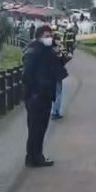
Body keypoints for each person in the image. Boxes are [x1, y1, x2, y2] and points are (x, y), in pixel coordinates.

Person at [22, 25, 63, 167]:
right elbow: (27, 74)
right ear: (39, 36)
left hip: (44, 94)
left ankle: (34, 156)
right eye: (46, 35)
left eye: (50, 35)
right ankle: (35, 157)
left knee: (39, 128)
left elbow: (52, 68)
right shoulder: (34, 51)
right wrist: (35, 91)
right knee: (36, 128)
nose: (49, 38)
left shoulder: (45, 50)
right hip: (37, 96)